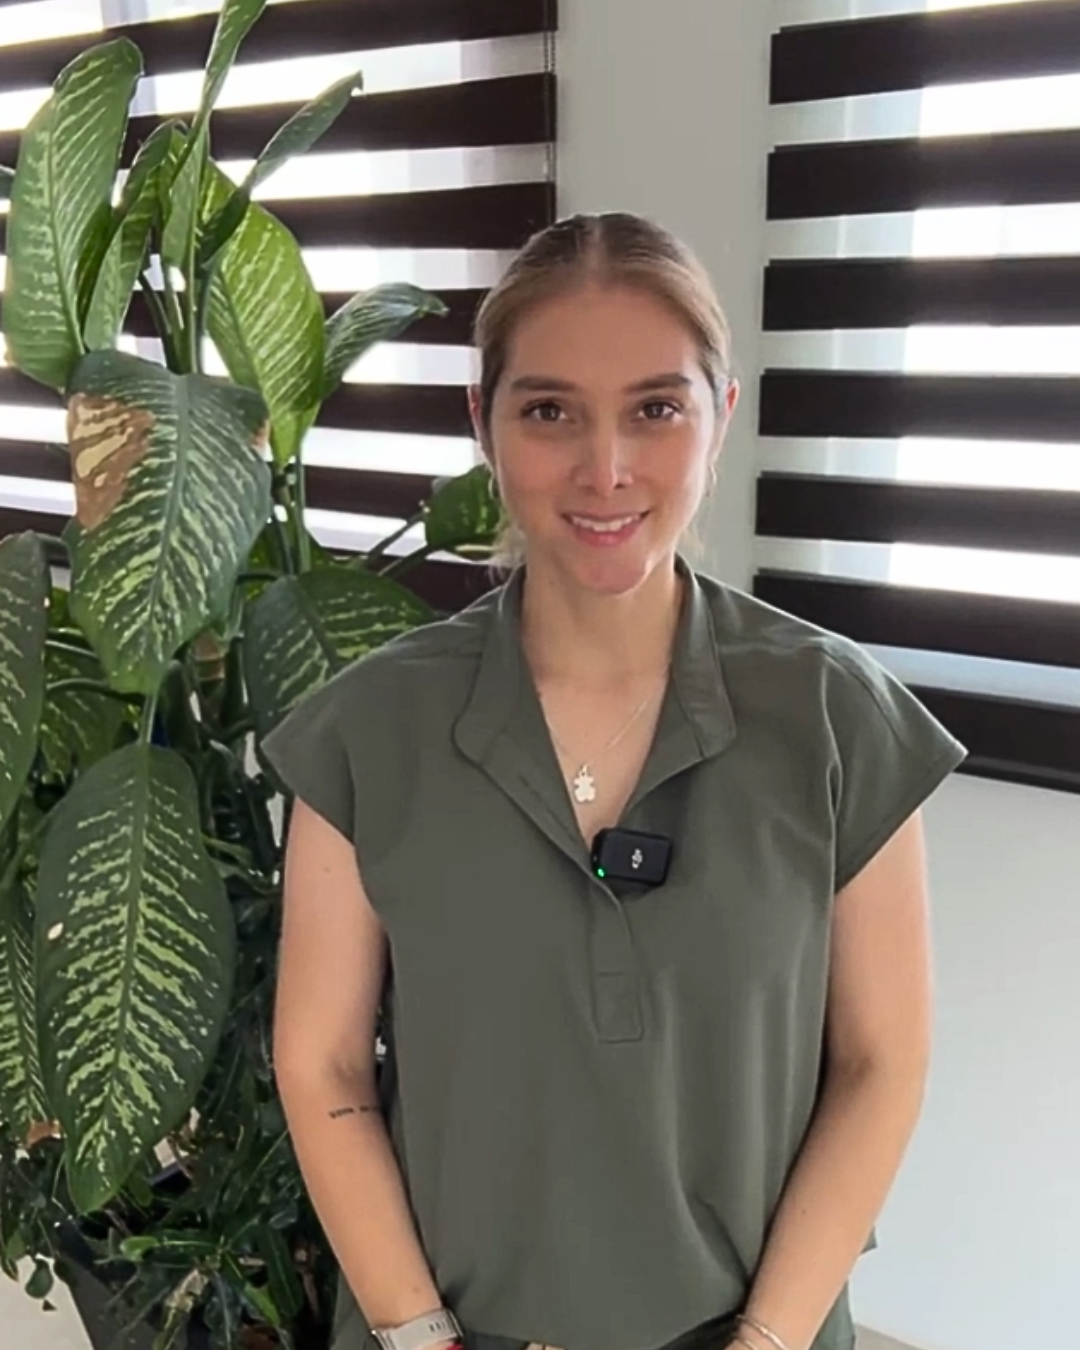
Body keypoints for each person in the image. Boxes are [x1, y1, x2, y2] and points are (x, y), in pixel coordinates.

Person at [262, 212, 967, 1350]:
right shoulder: (368, 732)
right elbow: (323, 1062)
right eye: (549, 411)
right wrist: (419, 1335)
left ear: (721, 415)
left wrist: (765, 1342)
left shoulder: (838, 718)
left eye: (656, 409)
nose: (605, 469)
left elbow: (882, 1063)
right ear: (482, 423)